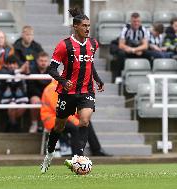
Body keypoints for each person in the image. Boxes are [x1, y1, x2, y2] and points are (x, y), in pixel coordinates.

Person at [40, 7, 104, 173]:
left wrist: (97, 80)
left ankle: (78, 157)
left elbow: (89, 64)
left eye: (89, 25)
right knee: (59, 126)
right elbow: (51, 69)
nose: (87, 28)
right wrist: (63, 80)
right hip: (67, 92)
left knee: (84, 120)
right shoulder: (64, 45)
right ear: (75, 26)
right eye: (84, 25)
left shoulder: (93, 43)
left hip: (86, 90)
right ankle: (49, 155)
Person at [41, 80, 110, 156]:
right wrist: (76, 121)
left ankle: (96, 150)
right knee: (75, 128)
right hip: (51, 120)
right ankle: (76, 156)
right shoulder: (52, 88)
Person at [0, 55, 29, 132]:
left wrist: (26, 68)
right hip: (6, 98)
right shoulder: (3, 71)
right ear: (6, 65)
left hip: (19, 98)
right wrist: (19, 70)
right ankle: (15, 125)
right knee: (12, 105)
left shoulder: (20, 73)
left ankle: (11, 122)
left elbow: (28, 74)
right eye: (9, 64)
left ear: (18, 64)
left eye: (14, 64)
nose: (12, 66)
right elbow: (8, 74)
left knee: (23, 106)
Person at [114, 12, 148, 78]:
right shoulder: (126, 29)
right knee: (120, 54)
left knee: (149, 54)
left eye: (138, 21)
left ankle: (146, 75)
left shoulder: (142, 29)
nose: (136, 23)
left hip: (136, 49)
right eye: (134, 21)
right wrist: (131, 49)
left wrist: (134, 50)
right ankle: (119, 76)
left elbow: (145, 46)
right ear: (131, 21)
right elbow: (121, 45)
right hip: (127, 49)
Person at [26, 51, 51, 133]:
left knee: (52, 102)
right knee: (35, 101)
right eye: (41, 61)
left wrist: (45, 97)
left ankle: (47, 125)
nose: (43, 63)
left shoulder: (52, 71)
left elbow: (53, 87)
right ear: (37, 61)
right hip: (35, 94)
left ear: (48, 62)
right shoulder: (32, 70)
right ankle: (34, 123)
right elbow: (31, 87)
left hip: (47, 95)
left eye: (45, 61)